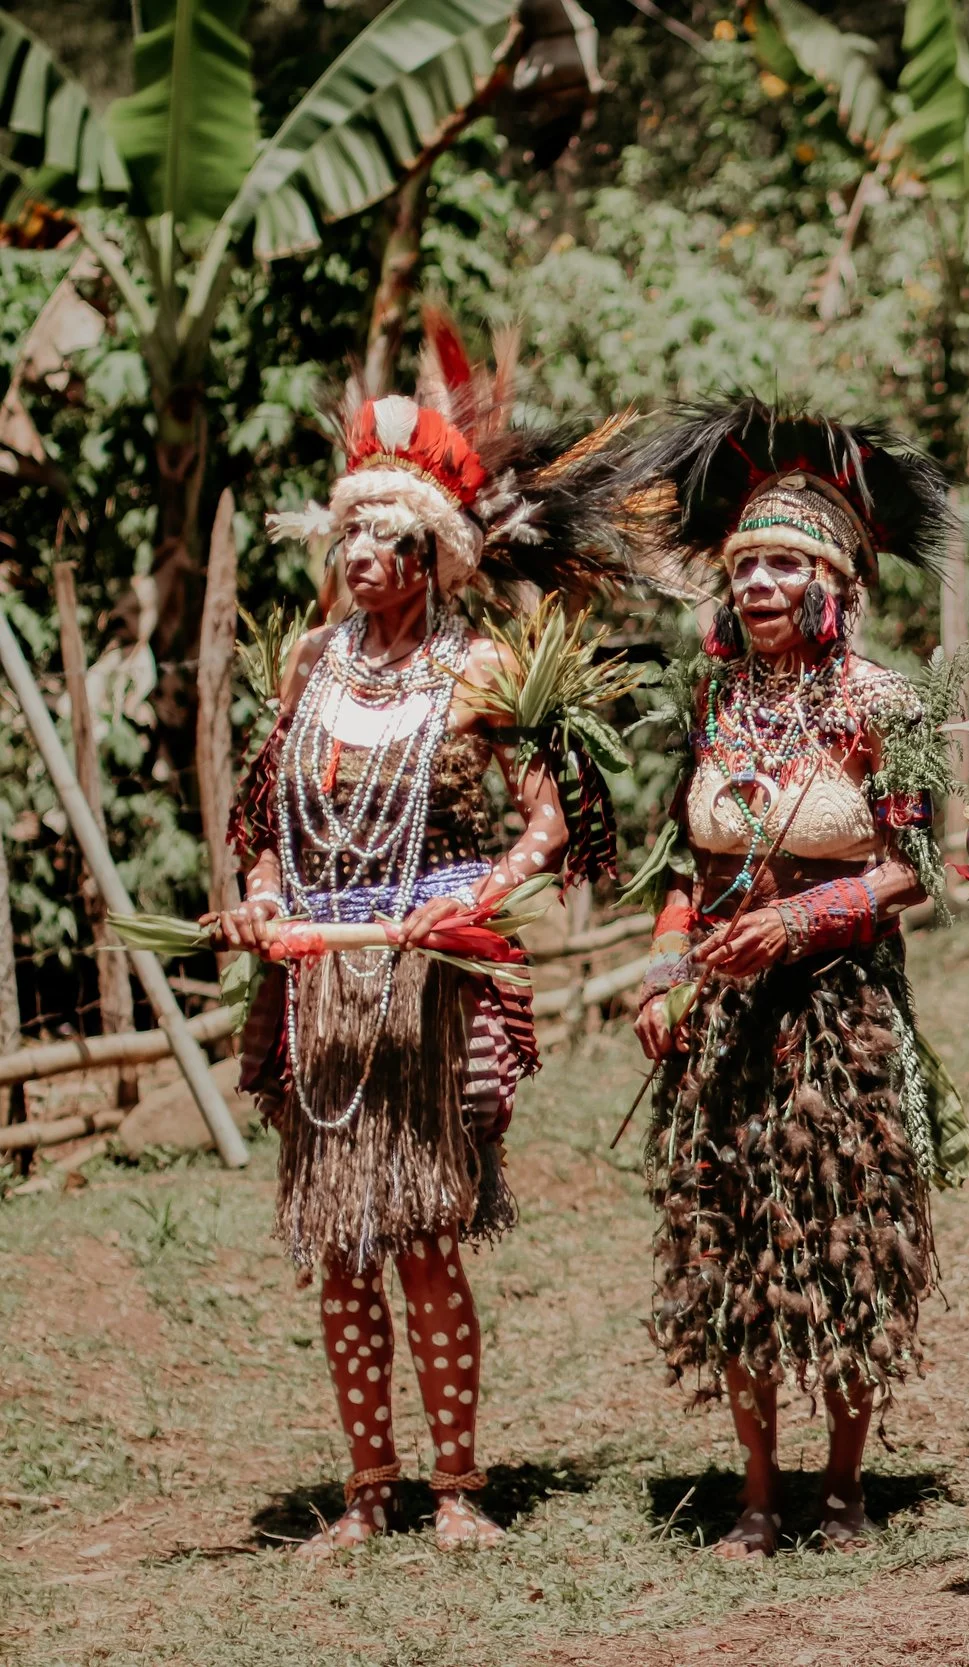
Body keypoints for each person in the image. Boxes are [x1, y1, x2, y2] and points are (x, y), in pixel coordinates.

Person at [224, 324, 631, 1557]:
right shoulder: (307, 664)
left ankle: (456, 1486)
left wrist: (464, 901)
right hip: (319, 980)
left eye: (386, 538)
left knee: (425, 1234)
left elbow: (552, 822)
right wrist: (255, 896)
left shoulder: (482, 669)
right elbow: (259, 824)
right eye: (348, 534)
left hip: (428, 982)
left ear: (434, 555)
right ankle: (364, 1490)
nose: (360, 557)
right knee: (336, 1246)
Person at [624, 401, 967, 1558]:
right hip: (725, 1021)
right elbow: (690, 860)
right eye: (745, 564)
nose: (759, 582)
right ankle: (758, 1493)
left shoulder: (890, 705)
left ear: (836, 579)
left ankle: (845, 1487)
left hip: (840, 1019)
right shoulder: (714, 704)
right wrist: (671, 968)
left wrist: (799, 921)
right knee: (728, 1237)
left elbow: (916, 869)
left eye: (784, 562)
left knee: (840, 1238)